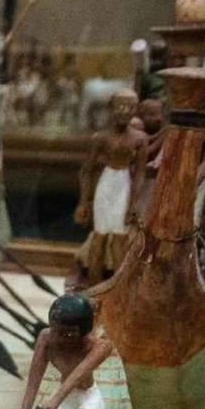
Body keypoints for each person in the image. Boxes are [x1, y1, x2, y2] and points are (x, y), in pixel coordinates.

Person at [20, 295, 112, 409]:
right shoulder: (46, 337)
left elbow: (76, 377)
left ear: (83, 331)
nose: (59, 338)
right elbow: (34, 380)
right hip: (64, 400)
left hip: (86, 396)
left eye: (68, 333)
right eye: (56, 330)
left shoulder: (99, 347)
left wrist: (53, 403)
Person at [74, 89, 145, 284]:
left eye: (130, 107)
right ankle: (94, 284)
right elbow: (86, 170)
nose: (124, 111)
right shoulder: (101, 137)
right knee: (100, 235)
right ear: (111, 108)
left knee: (120, 238)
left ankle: (118, 287)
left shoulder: (140, 138)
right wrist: (83, 202)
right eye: (120, 106)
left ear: (136, 109)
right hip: (106, 185)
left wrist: (134, 202)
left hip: (124, 186)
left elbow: (139, 173)